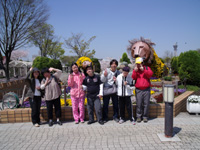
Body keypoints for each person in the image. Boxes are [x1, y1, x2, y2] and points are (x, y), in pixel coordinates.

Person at [132, 57, 153, 123]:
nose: (138, 65)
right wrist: (135, 72)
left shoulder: (147, 68)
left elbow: (150, 75)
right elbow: (133, 77)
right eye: (137, 64)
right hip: (138, 89)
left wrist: (144, 70)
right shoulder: (135, 70)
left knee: (146, 104)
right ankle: (138, 117)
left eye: (139, 63)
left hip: (146, 89)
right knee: (139, 104)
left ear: (142, 63)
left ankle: (145, 117)